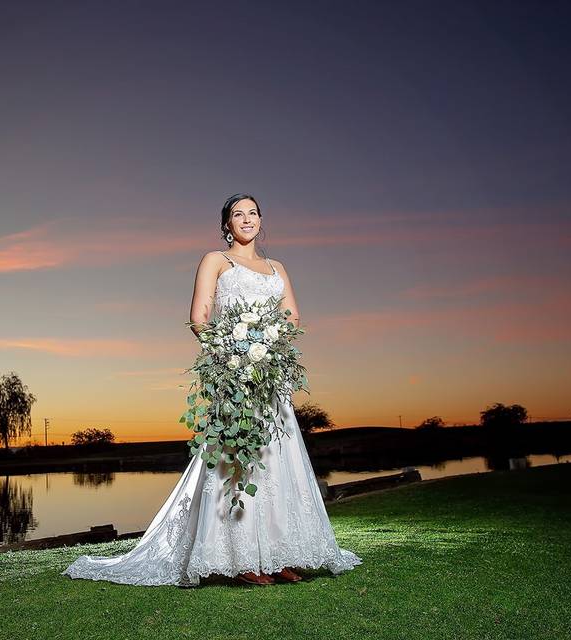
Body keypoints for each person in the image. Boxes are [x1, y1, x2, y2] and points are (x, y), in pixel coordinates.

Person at [61, 193, 362, 587]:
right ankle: (242, 559)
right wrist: (231, 358)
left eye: (253, 212)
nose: (247, 219)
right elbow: (199, 318)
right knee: (237, 463)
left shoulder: (277, 267)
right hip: (235, 376)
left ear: (261, 220)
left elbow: (292, 316)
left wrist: (272, 349)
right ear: (227, 225)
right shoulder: (216, 261)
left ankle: (281, 555)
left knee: (278, 461)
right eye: (238, 214)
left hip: (270, 379)